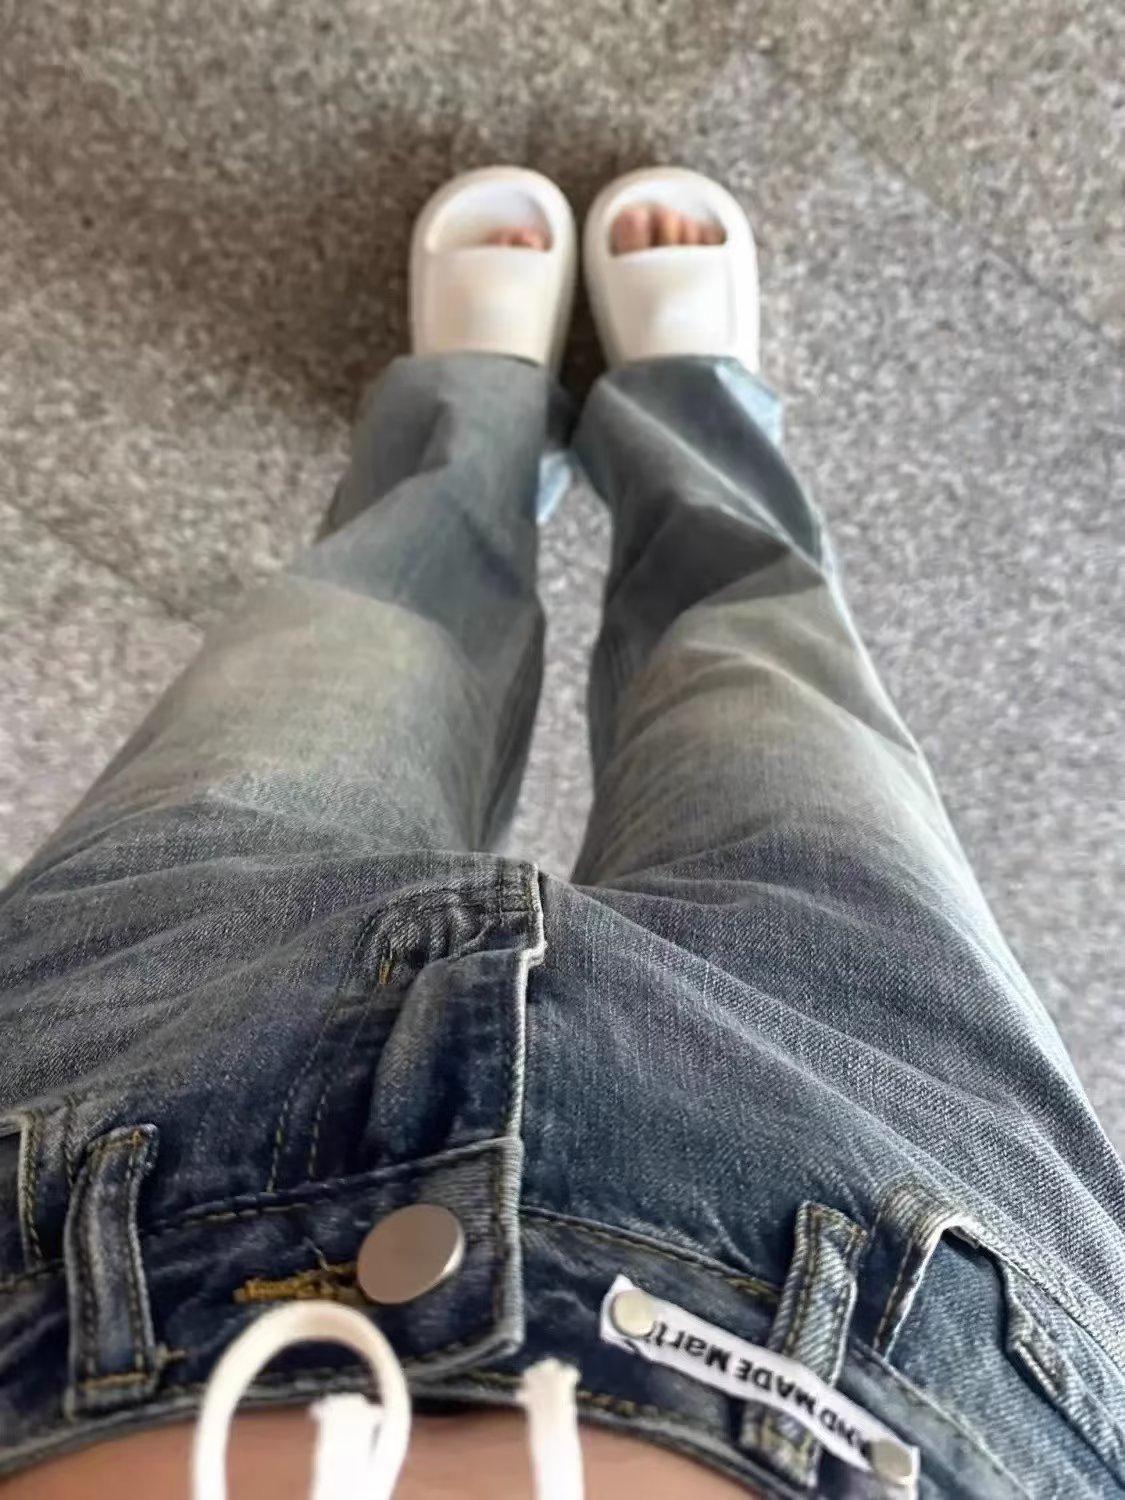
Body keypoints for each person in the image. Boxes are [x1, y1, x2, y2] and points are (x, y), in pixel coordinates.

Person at [0, 163, 1122, 1500]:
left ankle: (473, 426)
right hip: (889, 1243)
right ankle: (689, 408)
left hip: (104, 1140)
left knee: (353, 639)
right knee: (761, 660)